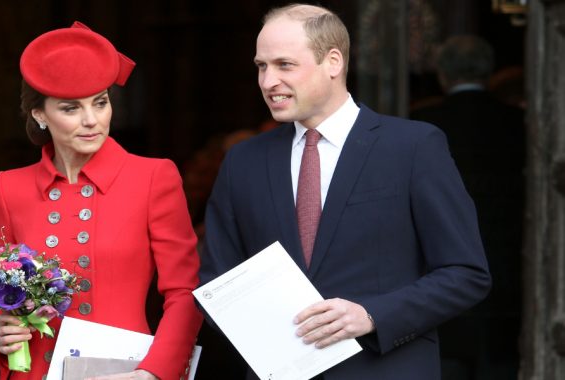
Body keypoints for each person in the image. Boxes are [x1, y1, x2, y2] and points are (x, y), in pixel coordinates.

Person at [199, 4, 491, 379]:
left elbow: (466, 273)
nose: (268, 81)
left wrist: (370, 316)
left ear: (333, 61)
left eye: (284, 65)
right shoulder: (243, 161)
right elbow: (216, 285)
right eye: (261, 66)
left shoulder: (413, 147)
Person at [0, 21, 203, 380]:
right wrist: (2, 330)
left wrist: (153, 372)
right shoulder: (9, 188)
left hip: (126, 372)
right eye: (70, 109)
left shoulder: (153, 177)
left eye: (100, 103)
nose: (91, 121)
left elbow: (185, 291)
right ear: (40, 114)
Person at [411, 35, 525, 379]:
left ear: (442, 76)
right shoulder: (519, 122)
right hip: (512, 267)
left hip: (439, 270)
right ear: (488, 72)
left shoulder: (420, 123)